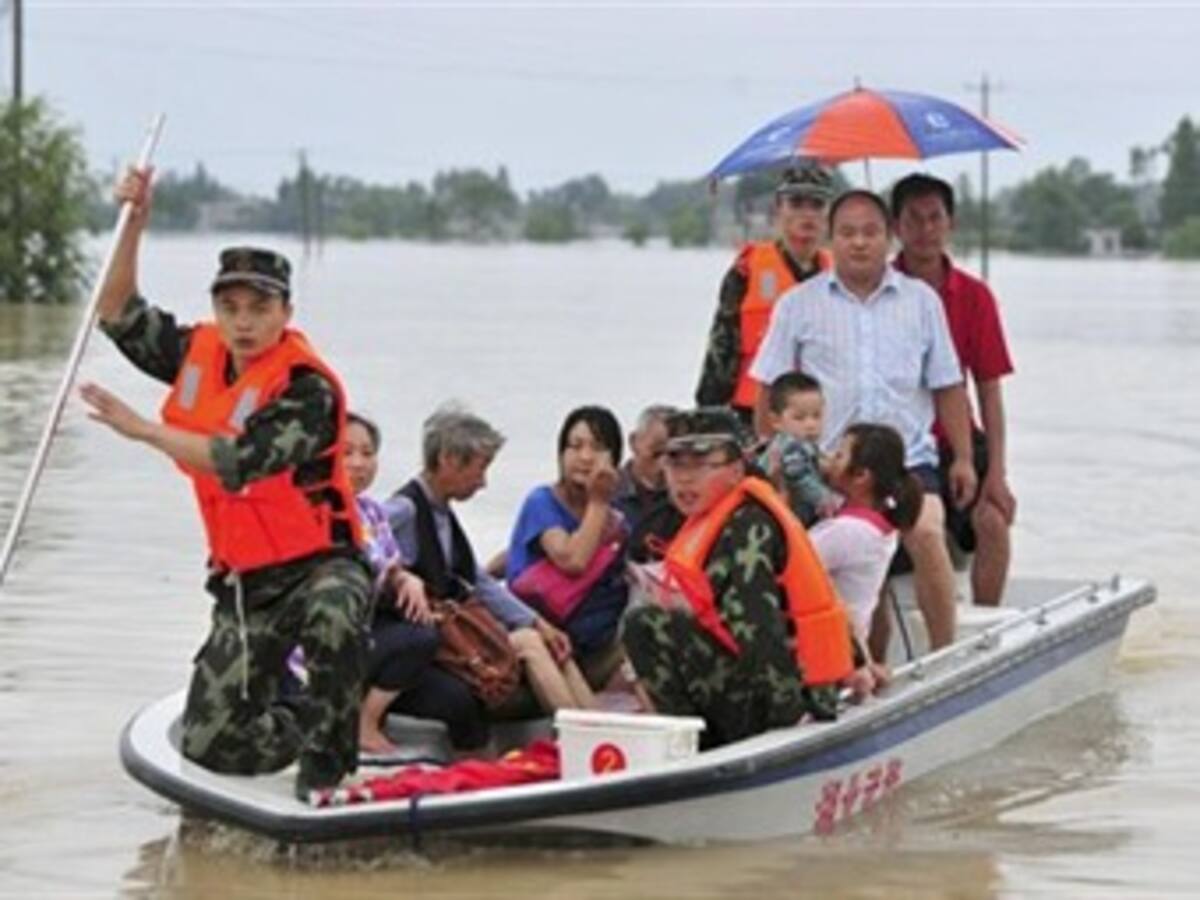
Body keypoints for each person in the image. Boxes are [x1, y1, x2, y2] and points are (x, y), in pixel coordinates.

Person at [83, 167, 371, 800]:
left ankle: (330, 768)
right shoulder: (198, 352)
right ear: (217, 308)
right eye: (231, 307)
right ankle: (302, 721)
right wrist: (134, 222)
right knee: (213, 747)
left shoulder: (306, 388)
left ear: (285, 312)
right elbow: (114, 309)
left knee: (332, 616)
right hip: (247, 584)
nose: (243, 323)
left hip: (322, 567)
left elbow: (241, 461)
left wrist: (143, 430)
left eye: (260, 308)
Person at [749, 188, 976, 651]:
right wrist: (773, 457)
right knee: (851, 567)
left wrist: (965, 459)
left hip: (908, 461)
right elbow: (769, 390)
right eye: (847, 233)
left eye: (870, 232)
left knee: (928, 531)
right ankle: (859, 667)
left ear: (889, 236)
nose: (859, 243)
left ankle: (945, 654)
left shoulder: (921, 301)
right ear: (831, 239)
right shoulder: (797, 304)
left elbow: (949, 386)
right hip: (831, 465)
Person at [622, 408, 854, 748]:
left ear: (735, 470)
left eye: (701, 465)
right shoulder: (708, 517)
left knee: (643, 624)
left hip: (787, 697)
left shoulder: (748, 526)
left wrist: (788, 724)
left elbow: (759, 632)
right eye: (675, 464)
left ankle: (696, 747)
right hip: (757, 682)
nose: (685, 479)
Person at [385, 405, 595, 722]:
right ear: (448, 460)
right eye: (479, 469)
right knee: (528, 643)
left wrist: (538, 622)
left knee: (549, 641)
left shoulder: (442, 513)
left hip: (454, 630)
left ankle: (600, 726)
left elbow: (477, 580)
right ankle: (581, 732)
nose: (483, 483)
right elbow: (364, 548)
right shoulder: (404, 511)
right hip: (429, 642)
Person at [892, 173, 1017, 607]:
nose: (925, 230)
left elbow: (989, 390)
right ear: (896, 227)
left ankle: (987, 625)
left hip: (957, 438)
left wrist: (996, 472)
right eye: (913, 220)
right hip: (899, 441)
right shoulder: (879, 292)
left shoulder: (975, 297)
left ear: (951, 224)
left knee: (993, 520)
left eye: (935, 218)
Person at [340, 412, 449, 755]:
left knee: (423, 628)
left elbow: (389, 565)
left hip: (361, 631)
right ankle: (363, 725)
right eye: (346, 452)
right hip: (314, 644)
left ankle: (367, 716)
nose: (358, 463)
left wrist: (406, 578)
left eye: (367, 453)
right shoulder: (309, 509)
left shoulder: (371, 512)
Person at [695, 165, 835, 423]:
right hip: (754, 413)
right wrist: (709, 416)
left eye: (817, 205)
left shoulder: (839, 276)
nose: (807, 215)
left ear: (829, 215)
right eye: (796, 203)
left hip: (818, 417)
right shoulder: (746, 271)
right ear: (778, 209)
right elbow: (721, 351)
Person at [506, 406, 629, 663]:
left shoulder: (615, 518)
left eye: (596, 448)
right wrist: (598, 502)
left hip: (592, 637)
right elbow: (572, 561)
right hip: (542, 629)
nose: (585, 457)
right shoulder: (542, 501)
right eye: (575, 446)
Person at [809, 423, 924, 652]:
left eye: (839, 456)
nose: (830, 460)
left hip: (830, 646)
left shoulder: (848, 531)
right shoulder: (878, 525)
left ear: (861, 476)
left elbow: (792, 561)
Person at [757, 372, 839, 526]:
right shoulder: (791, 445)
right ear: (776, 421)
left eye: (817, 416)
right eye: (799, 418)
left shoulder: (802, 443)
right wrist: (824, 498)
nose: (810, 424)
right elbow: (798, 475)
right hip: (786, 517)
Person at [613, 403, 675, 535]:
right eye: (656, 453)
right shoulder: (606, 491)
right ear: (633, 442)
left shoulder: (687, 498)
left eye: (674, 454)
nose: (663, 463)